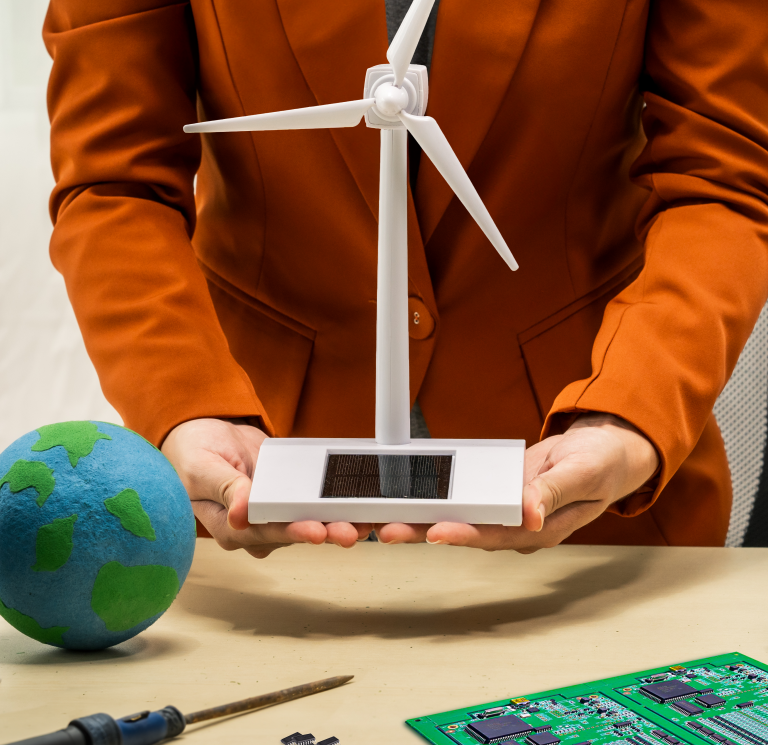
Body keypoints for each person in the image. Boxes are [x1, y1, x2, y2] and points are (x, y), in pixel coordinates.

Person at [43, 0, 768, 558]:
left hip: (595, 509)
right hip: (258, 500)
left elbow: (724, 179)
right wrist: (184, 401)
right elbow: (114, 186)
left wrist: (632, 411)